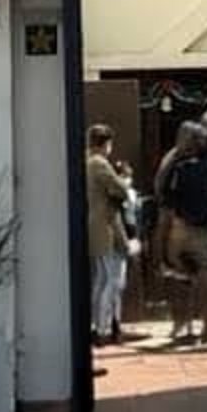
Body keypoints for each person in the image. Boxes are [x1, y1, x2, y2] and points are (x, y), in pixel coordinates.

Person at [154, 120, 207, 344]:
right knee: (206, 276)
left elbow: (161, 193)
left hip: (180, 226)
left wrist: (161, 235)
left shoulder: (173, 166)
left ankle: (181, 323)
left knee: (179, 277)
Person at [85, 124, 131, 348]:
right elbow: (120, 189)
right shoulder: (99, 164)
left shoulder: (86, 162)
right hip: (104, 227)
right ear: (106, 144)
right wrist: (126, 179)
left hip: (97, 227)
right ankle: (102, 327)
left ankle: (100, 325)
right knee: (108, 280)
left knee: (100, 280)